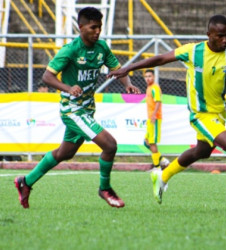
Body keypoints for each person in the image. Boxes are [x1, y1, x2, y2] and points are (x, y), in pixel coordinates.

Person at [108, 15, 226, 213]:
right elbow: (160, 58)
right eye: (220, 36)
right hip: (200, 114)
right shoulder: (193, 51)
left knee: (202, 151)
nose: (225, 40)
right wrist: (128, 68)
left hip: (219, 112)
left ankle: (162, 176)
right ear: (209, 35)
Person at [14, 7, 140, 209]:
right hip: (72, 110)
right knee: (110, 145)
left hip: (88, 109)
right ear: (81, 27)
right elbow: (47, 76)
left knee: (64, 154)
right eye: (93, 27)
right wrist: (67, 87)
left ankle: (25, 182)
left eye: (99, 27)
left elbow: (118, 69)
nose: (97, 31)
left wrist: (127, 84)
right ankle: (105, 189)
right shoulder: (70, 50)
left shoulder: (102, 48)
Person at [143, 69, 169, 169]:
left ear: (153, 77)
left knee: (152, 142)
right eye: (146, 77)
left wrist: (154, 115)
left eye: (150, 76)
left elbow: (158, 101)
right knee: (146, 141)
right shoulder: (149, 88)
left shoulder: (155, 88)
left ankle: (157, 167)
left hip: (155, 118)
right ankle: (162, 160)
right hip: (150, 118)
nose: (148, 78)